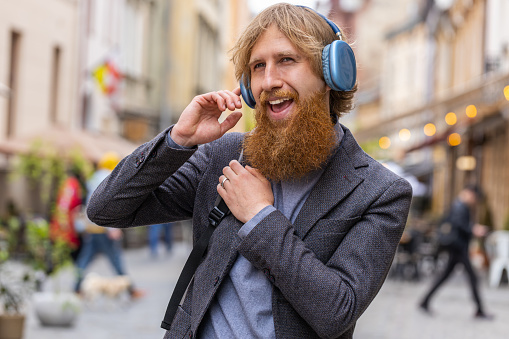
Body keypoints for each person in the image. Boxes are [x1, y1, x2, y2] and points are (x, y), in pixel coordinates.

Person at [87, 4, 412, 338]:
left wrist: (260, 216)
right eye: (258, 66)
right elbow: (106, 209)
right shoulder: (224, 156)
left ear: (331, 73)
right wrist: (178, 140)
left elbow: (336, 313)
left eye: (286, 60)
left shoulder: (381, 192)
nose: (269, 81)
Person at [74, 152, 144, 300]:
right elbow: (108, 205)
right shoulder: (109, 177)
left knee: (84, 259)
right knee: (116, 260)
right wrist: (113, 228)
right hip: (105, 228)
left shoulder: (92, 179)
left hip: (93, 228)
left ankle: (76, 288)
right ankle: (131, 290)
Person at [419, 185, 492, 319]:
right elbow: (460, 225)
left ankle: (424, 301)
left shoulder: (459, 204)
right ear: (470, 194)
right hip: (459, 247)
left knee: (446, 276)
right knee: (472, 277)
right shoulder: (460, 206)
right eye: (475, 198)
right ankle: (480, 310)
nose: (475, 201)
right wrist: (474, 229)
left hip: (457, 247)